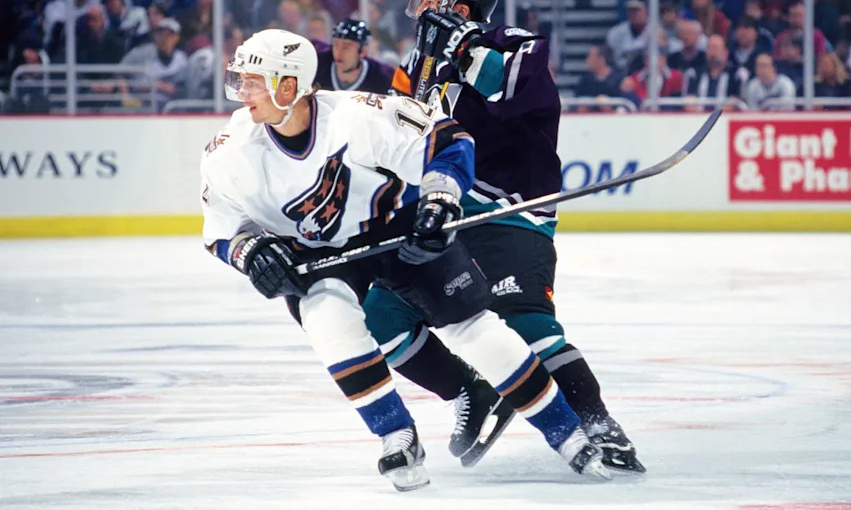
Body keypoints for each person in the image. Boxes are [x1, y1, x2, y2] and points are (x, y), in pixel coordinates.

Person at [200, 29, 610, 492]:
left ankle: (569, 434)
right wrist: (248, 251)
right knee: (326, 315)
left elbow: (448, 139)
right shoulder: (230, 150)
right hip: (314, 249)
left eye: (253, 81)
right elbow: (220, 228)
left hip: (397, 223)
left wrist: (439, 199)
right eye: (241, 80)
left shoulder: (357, 117)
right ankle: (396, 434)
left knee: (472, 328)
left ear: (289, 85)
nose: (241, 93)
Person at [361, 0, 646, 473]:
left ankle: (599, 427)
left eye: (426, 0)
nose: (417, 10)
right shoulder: (417, 64)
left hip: (510, 210)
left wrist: (460, 44)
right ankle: (471, 391)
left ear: (459, 7)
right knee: (380, 312)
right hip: (443, 213)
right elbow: (394, 136)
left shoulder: (517, 43)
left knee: (525, 324)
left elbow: (508, 90)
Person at [311, 19, 394, 93]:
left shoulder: (382, 78)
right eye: (336, 45)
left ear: (362, 51)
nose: (339, 52)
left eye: (346, 47)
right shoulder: (317, 67)